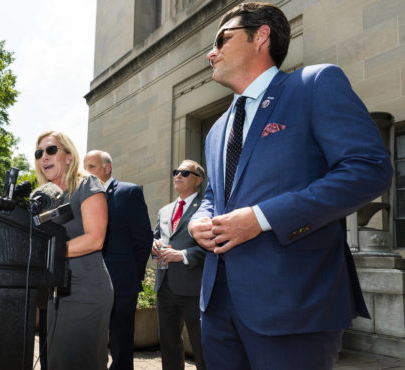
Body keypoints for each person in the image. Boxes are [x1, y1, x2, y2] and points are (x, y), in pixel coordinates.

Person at [187, 3, 393, 369]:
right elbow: (215, 196)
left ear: (261, 35)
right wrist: (198, 220)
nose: (210, 52)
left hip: (294, 305)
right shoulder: (217, 130)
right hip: (216, 308)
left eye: (222, 39)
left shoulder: (314, 84)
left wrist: (262, 218)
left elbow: (368, 169)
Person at [35, 131, 113, 370]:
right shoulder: (45, 198)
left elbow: (95, 239)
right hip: (56, 293)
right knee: (58, 362)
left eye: (51, 150)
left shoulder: (87, 183)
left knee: (82, 362)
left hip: (87, 291)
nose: (44, 157)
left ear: (69, 156)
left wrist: (48, 253)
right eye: (39, 153)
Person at [83, 150, 152, 370]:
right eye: (84, 168)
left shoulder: (128, 192)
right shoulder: (84, 197)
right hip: (90, 281)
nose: (87, 172)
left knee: (121, 341)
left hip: (121, 283)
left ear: (107, 168)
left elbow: (143, 239)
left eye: (91, 167)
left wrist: (133, 275)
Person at [152, 160, 206, 370]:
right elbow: (156, 236)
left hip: (193, 287)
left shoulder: (205, 207)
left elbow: (211, 247)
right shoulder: (165, 210)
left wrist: (182, 255)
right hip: (164, 285)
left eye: (185, 173)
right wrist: (153, 244)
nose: (178, 176)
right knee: (168, 343)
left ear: (198, 180)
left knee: (201, 343)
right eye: (176, 172)